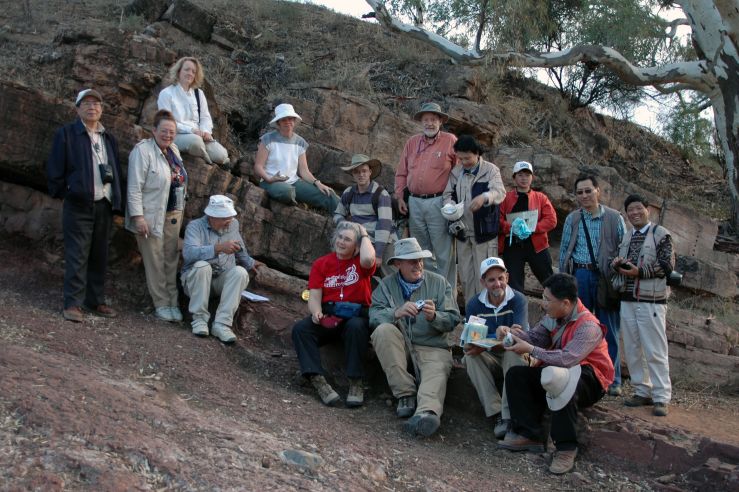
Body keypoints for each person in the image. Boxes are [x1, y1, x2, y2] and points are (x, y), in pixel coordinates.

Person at [497, 273, 614, 475]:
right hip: (557, 369)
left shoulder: (588, 326)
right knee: (517, 375)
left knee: (562, 383)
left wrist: (530, 349)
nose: (544, 304)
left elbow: (568, 359)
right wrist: (512, 335)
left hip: (591, 378)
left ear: (566, 303)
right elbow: (536, 338)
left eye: (548, 300)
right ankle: (529, 433)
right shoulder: (554, 316)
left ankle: (566, 448)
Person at [369, 238, 461, 437]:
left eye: (419, 260)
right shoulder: (385, 286)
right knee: (382, 331)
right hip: (401, 344)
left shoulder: (439, 282)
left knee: (436, 371)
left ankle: (426, 414)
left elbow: (453, 318)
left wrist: (434, 316)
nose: (418, 264)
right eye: (411, 261)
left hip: (433, 346)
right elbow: (374, 315)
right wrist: (396, 312)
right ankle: (405, 395)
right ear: (397, 264)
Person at [47, 88, 123, 322]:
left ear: (101, 109)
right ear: (77, 108)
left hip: (104, 204)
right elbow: (55, 168)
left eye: (96, 104)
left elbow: (117, 171)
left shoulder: (108, 138)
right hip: (79, 204)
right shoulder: (67, 133)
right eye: (87, 103)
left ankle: (94, 300)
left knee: (99, 254)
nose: (92, 107)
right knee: (77, 254)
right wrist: (69, 192)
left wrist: (117, 202)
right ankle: (73, 303)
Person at [291, 221, 376, 407]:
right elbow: (314, 296)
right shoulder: (321, 263)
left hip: (356, 314)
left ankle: (355, 383)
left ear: (356, 245)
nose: (341, 242)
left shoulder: (361, 263)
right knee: (301, 329)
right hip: (330, 315)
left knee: (356, 327)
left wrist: (364, 234)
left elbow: (369, 259)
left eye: (348, 239)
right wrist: (316, 312)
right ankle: (318, 381)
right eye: (339, 237)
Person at [559, 174, 625, 396]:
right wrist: (563, 280)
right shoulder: (573, 219)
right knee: (580, 327)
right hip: (581, 274)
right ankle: (585, 373)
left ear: (598, 191)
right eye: (580, 192)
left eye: (588, 190)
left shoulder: (615, 218)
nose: (584, 195)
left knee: (609, 328)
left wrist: (620, 274)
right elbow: (565, 249)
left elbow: (623, 249)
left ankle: (613, 379)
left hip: (606, 278)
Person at [610, 194, 675, 417]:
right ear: (627, 214)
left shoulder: (661, 234)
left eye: (639, 209)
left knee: (655, 350)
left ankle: (661, 397)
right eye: (631, 210)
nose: (635, 213)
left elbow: (666, 265)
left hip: (652, 301)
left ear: (648, 210)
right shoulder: (627, 237)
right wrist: (616, 264)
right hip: (628, 299)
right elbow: (618, 260)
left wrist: (640, 272)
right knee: (633, 348)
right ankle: (641, 390)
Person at [126, 109, 188, 322]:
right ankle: (162, 304)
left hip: (173, 215)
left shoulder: (175, 151)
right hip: (150, 216)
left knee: (171, 260)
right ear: (154, 130)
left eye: (172, 131)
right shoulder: (142, 151)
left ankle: (173, 302)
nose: (168, 135)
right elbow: (134, 187)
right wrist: (138, 217)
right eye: (164, 131)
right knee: (155, 261)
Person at [181, 195, 264, 343]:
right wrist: (218, 248)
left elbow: (240, 247)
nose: (229, 221)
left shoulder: (233, 224)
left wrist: (250, 263)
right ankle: (199, 320)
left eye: (230, 216)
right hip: (195, 282)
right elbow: (189, 254)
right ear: (211, 216)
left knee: (240, 272)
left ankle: (222, 324)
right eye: (224, 217)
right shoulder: (195, 226)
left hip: (219, 280)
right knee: (202, 266)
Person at [463, 257, 528, 439]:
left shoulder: (518, 300)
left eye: (500, 278)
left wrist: (493, 340)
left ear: (507, 277)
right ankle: (496, 412)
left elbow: (519, 338)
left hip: (511, 353)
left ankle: (508, 415)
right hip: (490, 355)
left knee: (513, 354)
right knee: (469, 356)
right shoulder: (474, 304)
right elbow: (472, 340)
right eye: (491, 280)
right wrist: (495, 337)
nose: (497, 283)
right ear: (483, 282)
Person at [395, 102, 457, 292]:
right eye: (426, 120)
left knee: (444, 252)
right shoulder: (412, 142)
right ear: (421, 122)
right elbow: (401, 172)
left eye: (433, 119)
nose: (429, 123)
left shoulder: (450, 140)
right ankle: (430, 293)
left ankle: (448, 298)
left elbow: (459, 171)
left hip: (439, 201)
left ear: (440, 121)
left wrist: (452, 200)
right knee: (422, 252)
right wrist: (400, 197)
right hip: (414, 202)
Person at [442, 135, 506, 305]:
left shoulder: (491, 170)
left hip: (484, 234)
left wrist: (484, 197)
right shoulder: (456, 172)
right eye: (460, 158)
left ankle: (489, 311)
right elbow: (448, 194)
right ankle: (473, 313)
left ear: (477, 153)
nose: (464, 162)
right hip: (463, 232)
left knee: (485, 275)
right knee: (466, 276)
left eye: (467, 158)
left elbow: (499, 192)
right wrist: (449, 206)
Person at [253, 103, 339, 212]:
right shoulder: (267, 139)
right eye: (284, 119)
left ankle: (346, 220)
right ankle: (296, 201)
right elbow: (258, 166)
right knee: (287, 191)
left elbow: (304, 171)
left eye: (290, 119)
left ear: (294, 121)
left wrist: (318, 183)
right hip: (270, 182)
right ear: (278, 122)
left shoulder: (300, 142)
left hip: (294, 183)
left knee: (328, 194)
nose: (288, 122)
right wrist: (269, 179)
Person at [157, 56, 229, 166]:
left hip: (199, 136)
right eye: (187, 69)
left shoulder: (198, 94)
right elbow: (167, 122)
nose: (190, 73)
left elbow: (205, 117)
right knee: (196, 142)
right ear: (179, 71)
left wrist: (205, 132)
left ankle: (211, 156)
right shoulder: (166, 94)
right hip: (175, 135)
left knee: (222, 154)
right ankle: (208, 161)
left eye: (193, 71)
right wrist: (192, 130)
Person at [333, 153, 397, 276]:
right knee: (351, 273)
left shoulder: (380, 194)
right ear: (352, 174)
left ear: (370, 172)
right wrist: (346, 226)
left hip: (383, 240)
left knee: (391, 276)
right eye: (357, 172)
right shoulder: (349, 193)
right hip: (359, 238)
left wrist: (378, 254)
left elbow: (384, 225)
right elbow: (337, 214)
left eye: (364, 171)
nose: (361, 175)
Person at [498, 161, 556, 293]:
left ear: (532, 177)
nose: (524, 178)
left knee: (549, 280)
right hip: (512, 245)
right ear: (514, 177)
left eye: (527, 175)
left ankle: (559, 308)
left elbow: (551, 220)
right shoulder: (505, 198)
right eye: (520, 175)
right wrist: (510, 227)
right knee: (514, 284)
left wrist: (533, 227)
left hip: (537, 245)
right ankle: (518, 311)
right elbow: (498, 220)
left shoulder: (541, 198)